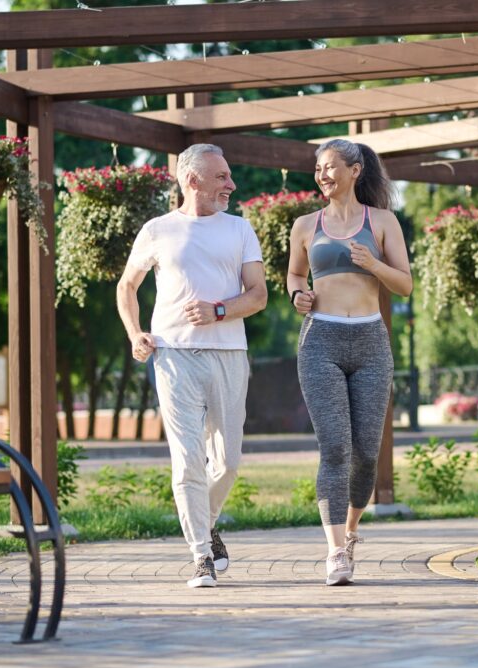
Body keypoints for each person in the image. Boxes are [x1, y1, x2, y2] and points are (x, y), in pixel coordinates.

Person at [117, 143, 267, 588]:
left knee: (228, 461)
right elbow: (128, 286)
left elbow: (258, 295)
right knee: (187, 462)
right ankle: (200, 555)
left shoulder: (240, 229)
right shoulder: (157, 229)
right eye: (222, 176)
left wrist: (219, 310)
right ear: (192, 179)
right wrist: (134, 333)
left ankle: (207, 523)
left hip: (228, 354)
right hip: (173, 355)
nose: (231, 185)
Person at [286, 139, 412, 586]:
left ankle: (352, 530)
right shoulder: (305, 225)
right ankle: (336, 551)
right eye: (317, 168)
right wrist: (297, 294)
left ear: (355, 170)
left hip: (370, 342)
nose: (321, 175)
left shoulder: (381, 222)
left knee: (365, 452)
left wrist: (373, 264)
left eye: (329, 167)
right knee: (335, 447)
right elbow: (295, 274)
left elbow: (405, 286)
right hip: (320, 339)